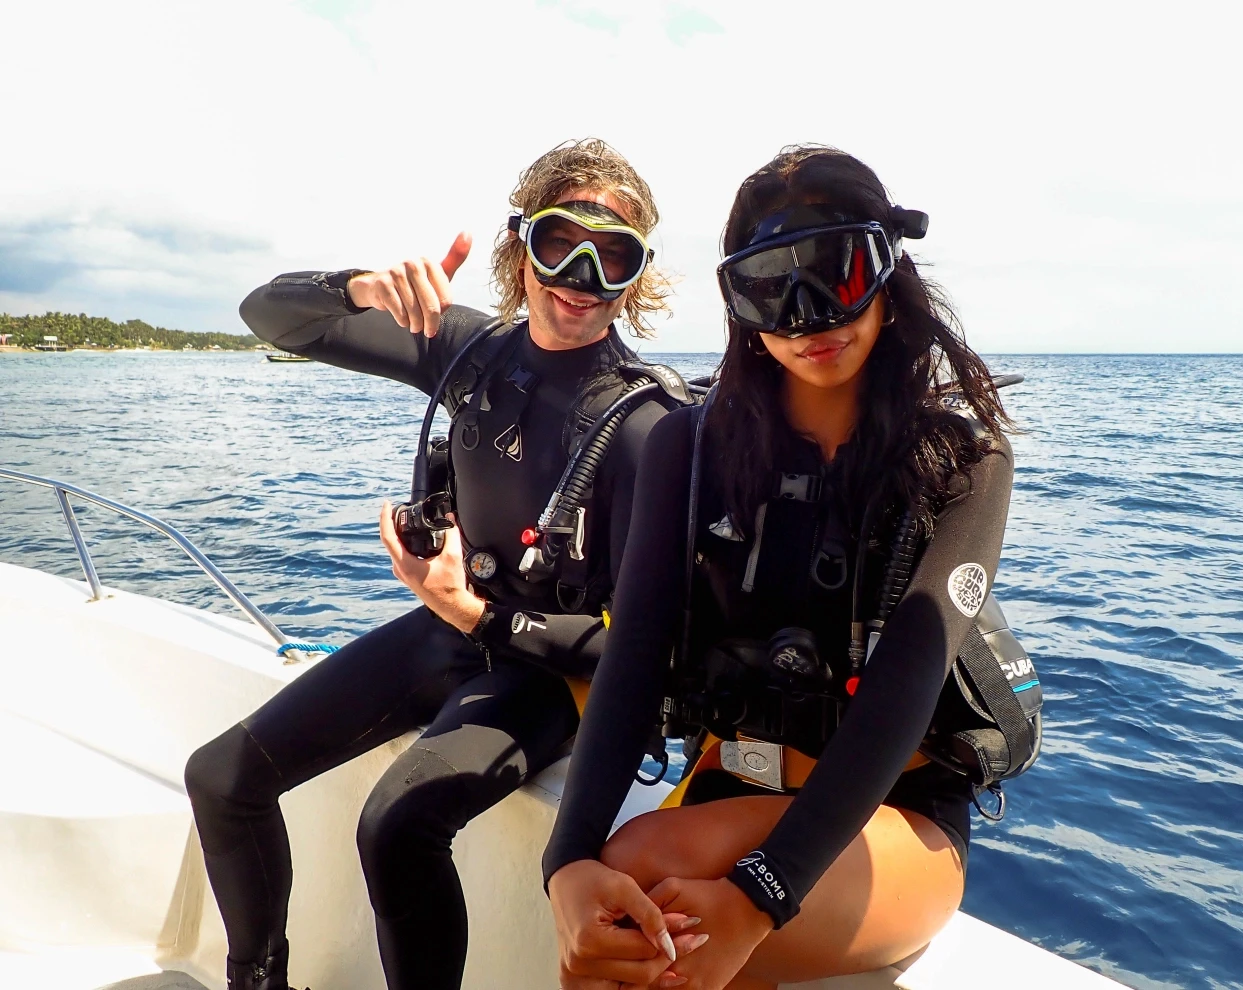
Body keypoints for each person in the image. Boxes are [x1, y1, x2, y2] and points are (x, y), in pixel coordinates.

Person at [184, 138, 691, 990]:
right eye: (559, 242)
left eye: (614, 257)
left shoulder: (647, 422)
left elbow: (650, 654)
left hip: (548, 672)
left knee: (397, 825)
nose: (580, 274)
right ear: (519, 245)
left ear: (637, 277)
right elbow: (266, 314)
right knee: (222, 778)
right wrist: (355, 289)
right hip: (453, 629)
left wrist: (475, 615)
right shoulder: (470, 351)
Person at [543, 145, 1018, 990]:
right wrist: (566, 861)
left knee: (663, 925)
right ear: (739, 305)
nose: (809, 317)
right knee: (620, 900)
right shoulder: (687, 449)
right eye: (771, 286)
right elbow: (636, 650)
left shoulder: (960, 464)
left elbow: (907, 688)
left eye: (836, 272)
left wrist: (761, 898)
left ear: (887, 268)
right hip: (732, 778)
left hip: (890, 818)